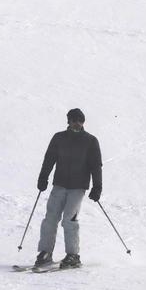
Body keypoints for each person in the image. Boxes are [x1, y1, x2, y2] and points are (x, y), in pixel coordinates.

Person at [33, 108, 102, 270]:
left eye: (80, 120)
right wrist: (43, 177)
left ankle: (73, 255)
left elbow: (96, 165)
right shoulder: (59, 138)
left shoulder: (90, 141)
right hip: (59, 185)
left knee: (69, 220)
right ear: (68, 121)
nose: (77, 123)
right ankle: (45, 252)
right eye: (74, 120)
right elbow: (49, 159)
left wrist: (97, 187)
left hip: (78, 187)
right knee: (50, 218)